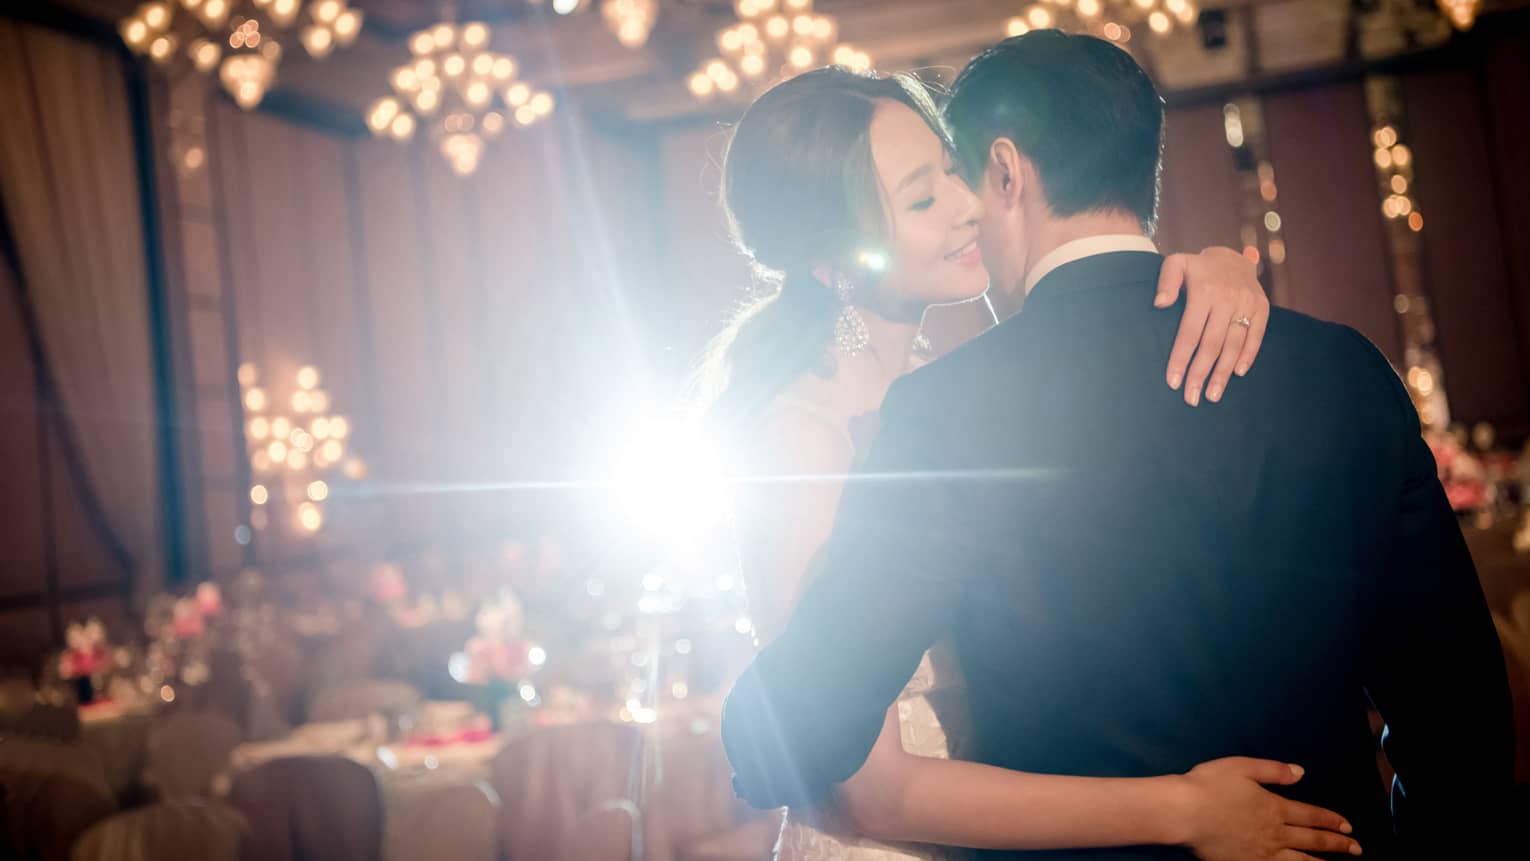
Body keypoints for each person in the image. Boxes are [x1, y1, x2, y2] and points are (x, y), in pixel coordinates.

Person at [720, 32, 1516, 859]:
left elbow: (789, 727)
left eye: (957, 177)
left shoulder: (942, 409)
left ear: (1006, 171)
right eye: (926, 195)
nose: (964, 209)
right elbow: (1459, 717)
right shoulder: (1338, 367)